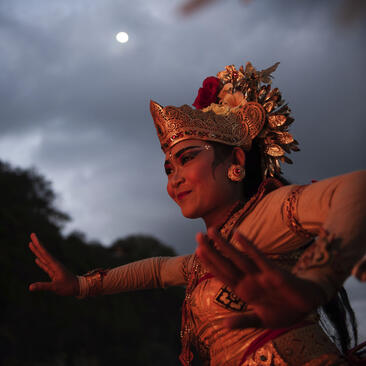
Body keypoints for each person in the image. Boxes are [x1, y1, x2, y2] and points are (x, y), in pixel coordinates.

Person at [29, 61, 366, 365]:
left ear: (235, 162)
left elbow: (356, 191)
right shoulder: (210, 256)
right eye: (167, 169)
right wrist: (81, 285)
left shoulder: (269, 215)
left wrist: (315, 280)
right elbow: (158, 271)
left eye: (187, 158)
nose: (175, 178)